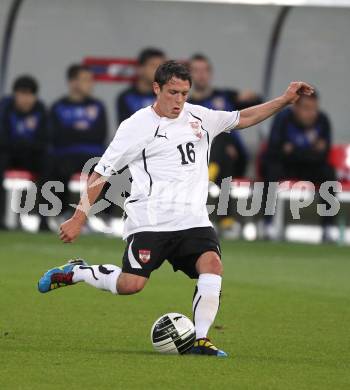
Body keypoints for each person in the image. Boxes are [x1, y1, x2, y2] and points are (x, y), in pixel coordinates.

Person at [38, 61, 314, 356]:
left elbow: (242, 117)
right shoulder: (135, 126)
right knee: (131, 284)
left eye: (184, 93)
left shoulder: (200, 117)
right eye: (173, 92)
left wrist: (285, 100)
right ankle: (78, 271)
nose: (179, 100)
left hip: (193, 220)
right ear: (157, 89)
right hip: (150, 221)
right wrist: (79, 217)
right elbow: (101, 173)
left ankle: (202, 340)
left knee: (212, 266)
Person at [188, 54, 253, 234]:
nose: (201, 75)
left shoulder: (226, 96)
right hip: (202, 158)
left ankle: (208, 177)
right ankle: (226, 221)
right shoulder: (185, 104)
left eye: (205, 70)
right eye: (196, 70)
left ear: (211, 74)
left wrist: (250, 97)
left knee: (222, 137)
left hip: (235, 157)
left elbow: (255, 107)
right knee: (220, 146)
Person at [262, 91, 336, 242]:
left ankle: (328, 228)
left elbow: (323, 153)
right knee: (271, 171)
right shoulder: (283, 119)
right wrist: (309, 150)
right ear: (295, 108)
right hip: (286, 165)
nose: (311, 113)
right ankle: (268, 224)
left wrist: (293, 149)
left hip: (310, 166)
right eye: (307, 108)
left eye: (314, 108)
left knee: (328, 173)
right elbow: (274, 150)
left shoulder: (323, 121)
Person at [47, 64, 108, 216]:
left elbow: (100, 135)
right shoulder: (58, 107)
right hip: (65, 155)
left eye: (91, 80)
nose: (91, 84)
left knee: (111, 168)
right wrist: (83, 131)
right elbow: (57, 136)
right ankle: (58, 214)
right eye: (86, 80)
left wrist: (73, 131)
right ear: (73, 82)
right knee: (54, 167)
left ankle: (105, 217)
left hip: (93, 155)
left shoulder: (98, 106)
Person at [0, 75, 47, 228]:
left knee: (49, 166)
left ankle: (44, 219)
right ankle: (2, 218)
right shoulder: (5, 108)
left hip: (31, 154)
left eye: (29, 94)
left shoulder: (40, 110)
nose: (25, 99)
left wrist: (27, 145)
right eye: (22, 94)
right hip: (9, 152)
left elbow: (44, 139)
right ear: (15, 95)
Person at [116, 48, 166, 123]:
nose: (159, 71)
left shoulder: (167, 97)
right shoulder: (126, 97)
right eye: (154, 66)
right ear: (140, 69)